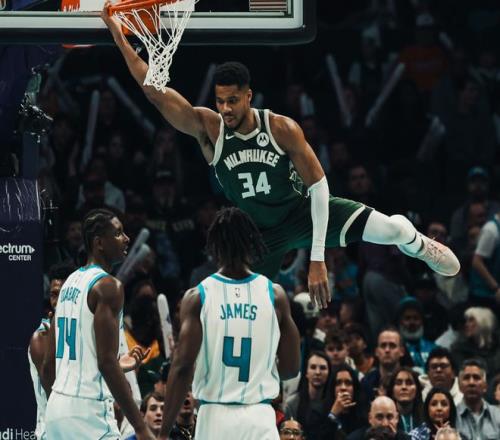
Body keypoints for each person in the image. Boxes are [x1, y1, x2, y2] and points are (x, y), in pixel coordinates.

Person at [102, 11, 460, 308]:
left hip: (302, 214)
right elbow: (156, 92)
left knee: (394, 230)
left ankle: (419, 245)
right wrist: (119, 37)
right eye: (220, 101)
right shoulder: (209, 128)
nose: (225, 109)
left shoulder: (280, 128)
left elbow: (319, 187)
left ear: (249, 96)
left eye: (232, 101)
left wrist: (317, 259)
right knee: (235, 306)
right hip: (258, 233)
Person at [157, 207, 301, 439]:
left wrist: (163, 433)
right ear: (252, 243)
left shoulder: (197, 297)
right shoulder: (275, 295)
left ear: (214, 246)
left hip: (215, 417)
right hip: (259, 417)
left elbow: (182, 367)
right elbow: (291, 369)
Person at [41, 208, 155, 439]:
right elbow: (106, 363)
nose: (126, 238)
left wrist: (63, 408)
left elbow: (49, 363)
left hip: (56, 409)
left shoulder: (69, 283)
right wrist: (141, 427)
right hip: (88, 412)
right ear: (99, 243)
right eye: (118, 233)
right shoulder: (108, 286)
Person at [28, 261, 76, 440]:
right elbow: (54, 393)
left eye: (63, 294)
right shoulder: (40, 337)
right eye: (54, 294)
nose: (57, 302)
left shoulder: (83, 332)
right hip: (52, 434)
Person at [456, 359, 500, 439]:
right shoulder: (452, 417)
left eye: (476, 378)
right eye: (466, 378)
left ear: (485, 386)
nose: (471, 382)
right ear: (459, 385)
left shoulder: (498, 415)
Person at [362, 327, 406, 402]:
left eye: (392, 346)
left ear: (402, 351)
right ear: (376, 351)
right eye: (383, 345)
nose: (387, 350)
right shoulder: (366, 382)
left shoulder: (410, 380)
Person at [387, 367, 424, 434]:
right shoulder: (385, 420)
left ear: (417, 389)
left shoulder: (426, 418)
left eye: (409, 383)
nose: (404, 387)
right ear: (392, 390)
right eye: (398, 383)